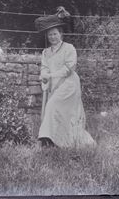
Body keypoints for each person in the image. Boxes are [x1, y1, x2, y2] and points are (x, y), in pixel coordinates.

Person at [35, 9, 96, 149]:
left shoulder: (69, 48)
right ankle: (52, 140)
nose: (53, 37)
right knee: (58, 112)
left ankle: (48, 139)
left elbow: (69, 68)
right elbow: (45, 67)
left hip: (69, 85)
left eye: (55, 34)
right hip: (55, 85)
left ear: (61, 34)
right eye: (50, 35)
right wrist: (44, 74)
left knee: (53, 106)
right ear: (47, 36)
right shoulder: (46, 52)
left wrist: (50, 75)